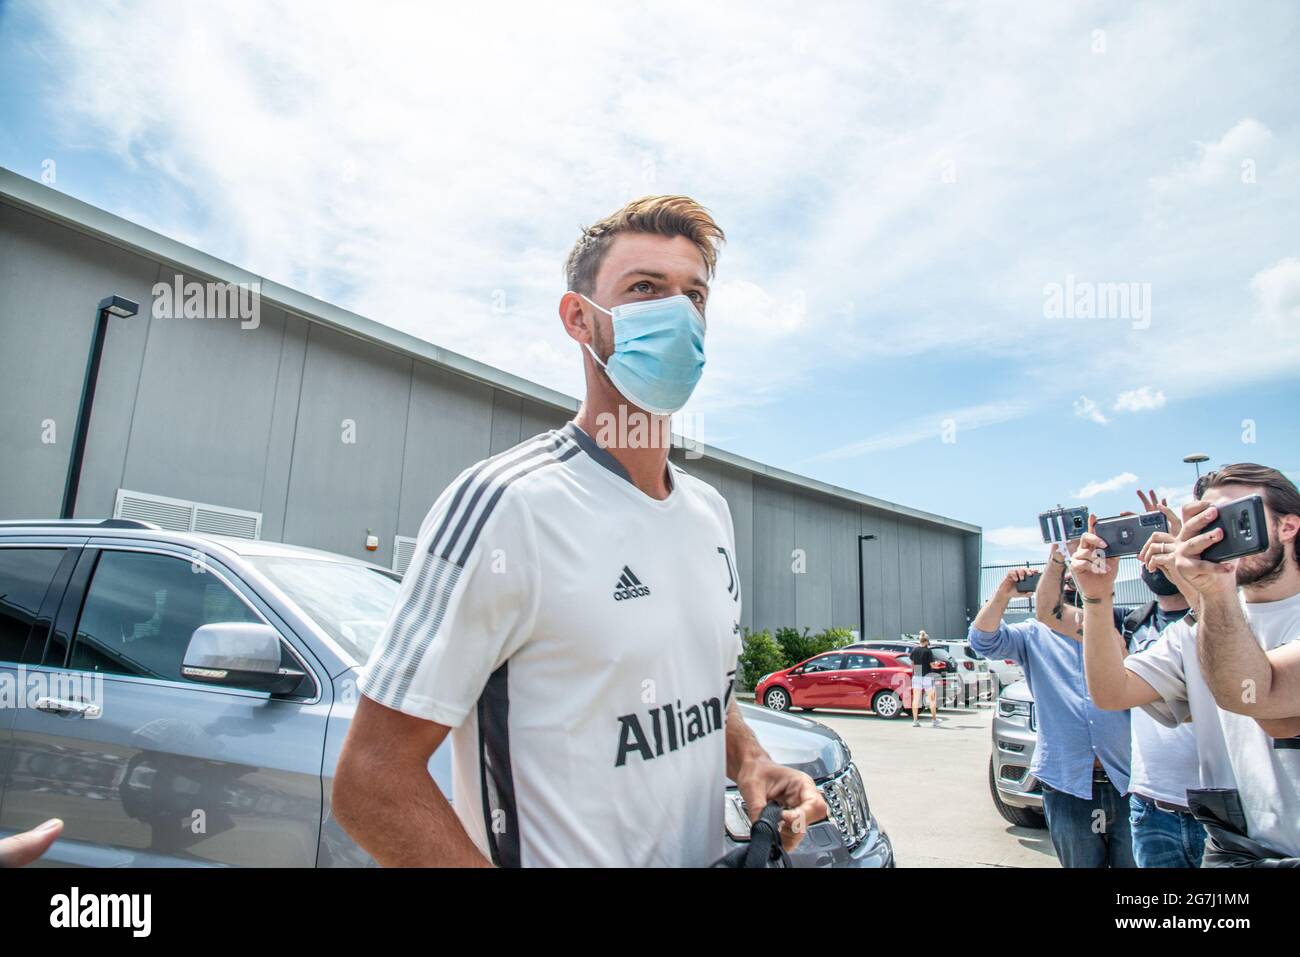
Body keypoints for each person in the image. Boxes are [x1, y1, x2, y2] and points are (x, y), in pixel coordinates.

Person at [332, 195, 826, 867]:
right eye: (646, 289)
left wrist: (751, 758)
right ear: (579, 319)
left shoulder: (710, 511)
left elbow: (696, 687)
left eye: (694, 296)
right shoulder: (509, 506)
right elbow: (371, 780)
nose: (677, 315)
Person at [1077, 463, 1300, 866]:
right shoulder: (1204, 620)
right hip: (1236, 850)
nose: (1218, 535)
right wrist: (1096, 597)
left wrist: (1210, 592)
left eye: (1237, 518)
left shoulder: (1213, 611)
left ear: (1288, 527)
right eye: (1206, 521)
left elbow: (1254, 697)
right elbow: (1112, 692)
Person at [969, 559, 1136, 867]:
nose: (1072, 583)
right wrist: (1004, 593)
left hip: (1127, 780)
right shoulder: (1035, 634)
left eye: (1080, 577)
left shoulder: (1123, 626)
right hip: (1068, 784)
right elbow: (982, 641)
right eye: (1066, 578)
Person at [1118, 490, 1206, 868]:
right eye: (1148, 553)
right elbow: (1112, 692)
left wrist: (1187, 548)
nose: (1157, 557)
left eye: (1167, 545)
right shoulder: (1132, 623)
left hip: (1224, 812)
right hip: (1152, 806)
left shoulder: (1225, 613)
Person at [910, 631, 941, 726]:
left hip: (917, 675)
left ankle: (915, 721)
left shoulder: (914, 650)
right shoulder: (928, 651)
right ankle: (934, 720)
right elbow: (932, 665)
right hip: (927, 675)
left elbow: (913, 664)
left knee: (916, 699)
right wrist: (937, 665)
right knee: (932, 698)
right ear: (927, 641)